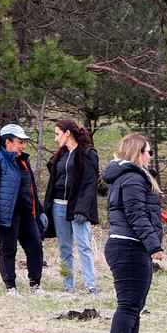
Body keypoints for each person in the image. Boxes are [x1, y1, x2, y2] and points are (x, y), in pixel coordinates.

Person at [101, 134, 165, 333]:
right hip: (128, 246)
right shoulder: (132, 179)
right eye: (148, 151)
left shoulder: (131, 178)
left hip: (130, 245)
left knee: (134, 303)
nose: (150, 156)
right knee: (128, 304)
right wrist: (153, 245)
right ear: (138, 152)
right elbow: (136, 215)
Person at [0, 124, 47, 296]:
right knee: (8, 249)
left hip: (27, 212)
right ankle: (10, 287)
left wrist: (40, 212)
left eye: (23, 142)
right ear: (8, 142)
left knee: (35, 247)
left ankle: (35, 285)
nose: (23, 146)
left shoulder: (24, 161)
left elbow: (31, 187)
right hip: (6, 214)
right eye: (20, 142)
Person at [43, 119, 100, 295]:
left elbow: (90, 184)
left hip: (77, 208)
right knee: (64, 247)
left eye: (57, 134)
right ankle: (69, 284)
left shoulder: (88, 154)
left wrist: (83, 209)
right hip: (58, 207)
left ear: (67, 133)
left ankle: (90, 285)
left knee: (84, 246)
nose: (55, 139)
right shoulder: (60, 156)